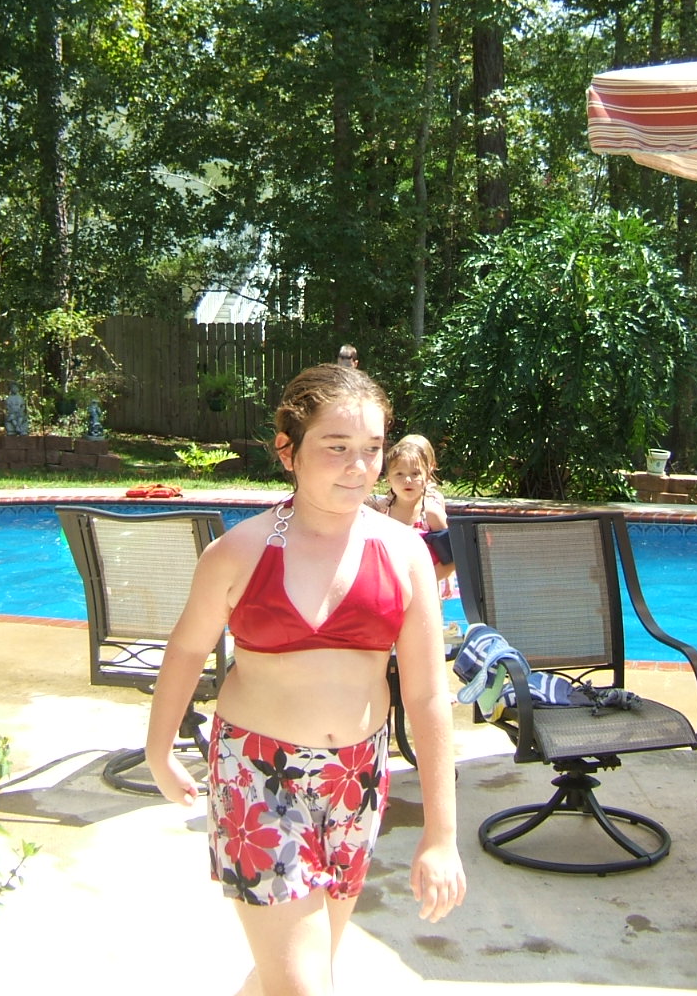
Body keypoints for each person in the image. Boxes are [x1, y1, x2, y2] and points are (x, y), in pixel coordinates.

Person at [146, 365, 464, 995]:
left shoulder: (404, 555)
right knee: (303, 984)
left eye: (371, 448)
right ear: (288, 450)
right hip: (255, 775)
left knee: (294, 972)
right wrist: (159, 751)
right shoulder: (238, 553)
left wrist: (441, 833)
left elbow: (428, 695)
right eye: (337, 447)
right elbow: (185, 651)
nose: (359, 466)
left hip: (356, 778)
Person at [371, 433, 455, 586]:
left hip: (425, 586)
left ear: (427, 476)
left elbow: (451, 559)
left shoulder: (431, 514)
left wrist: (419, 583)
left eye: (415, 473)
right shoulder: (381, 512)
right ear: (388, 478)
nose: (407, 480)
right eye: (399, 474)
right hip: (390, 586)